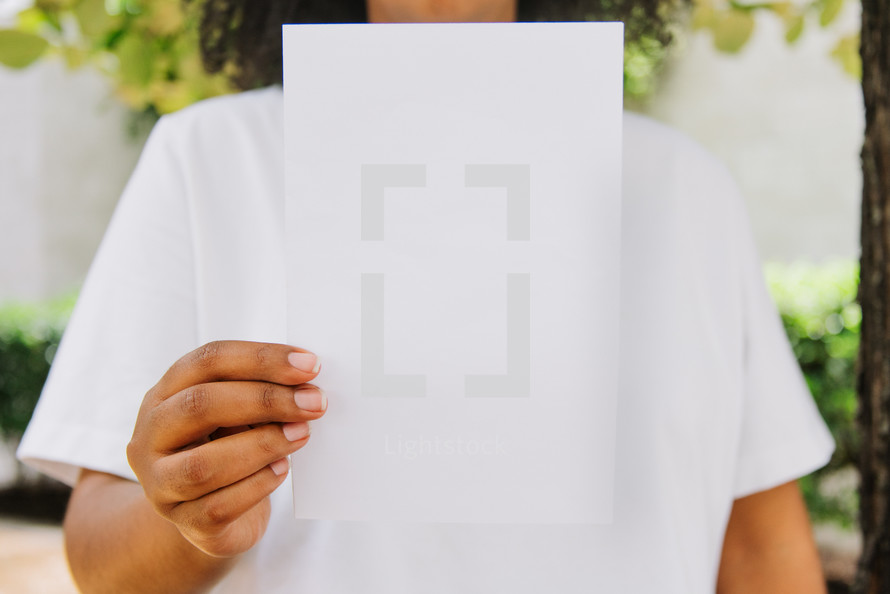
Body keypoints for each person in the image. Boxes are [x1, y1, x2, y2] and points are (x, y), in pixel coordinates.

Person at [18, 1, 835, 592]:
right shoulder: (208, 160)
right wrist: (191, 522)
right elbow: (99, 560)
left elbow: (763, 553)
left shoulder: (682, 186)